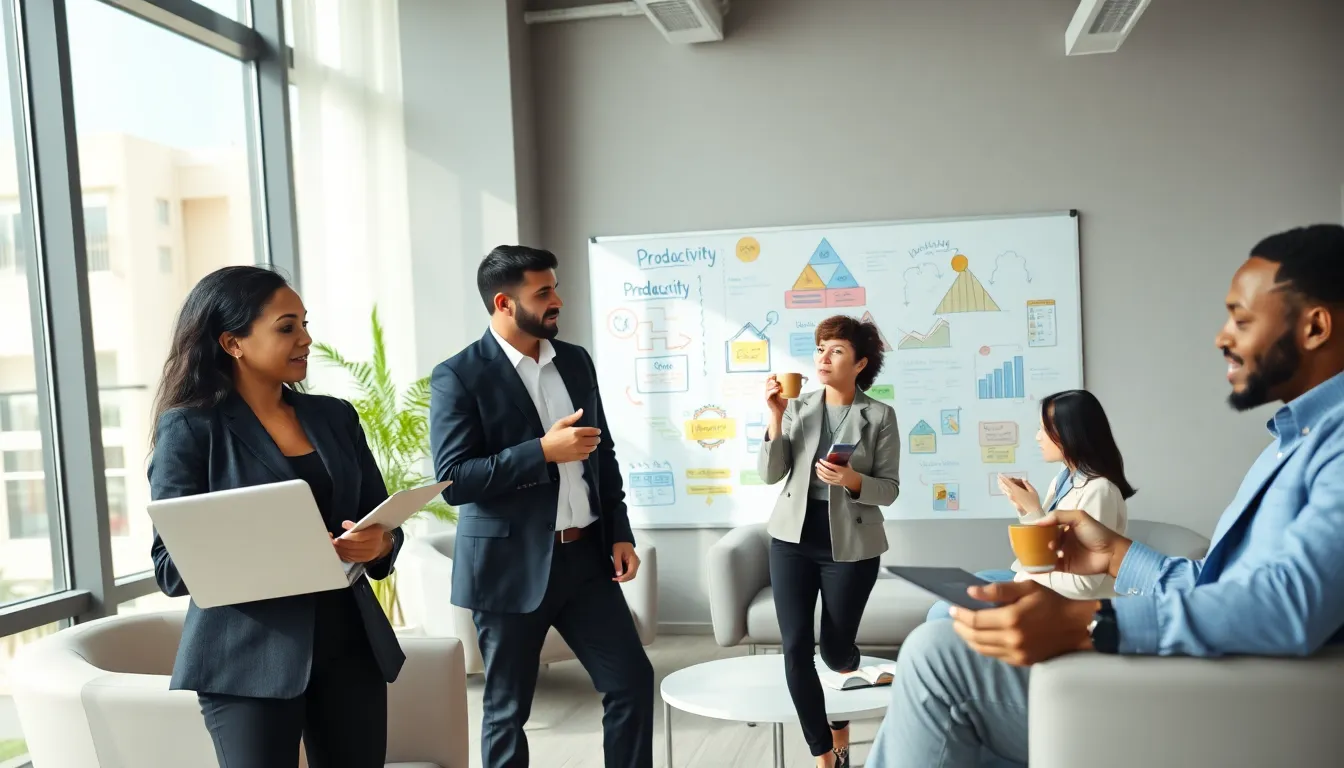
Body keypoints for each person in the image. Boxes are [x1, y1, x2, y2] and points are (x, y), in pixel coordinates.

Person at [867, 224, 1344, 767]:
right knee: (954, 669)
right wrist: (1116, 554)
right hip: (1216, 674)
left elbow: (1289, 605)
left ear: (1315, 326)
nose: (1221, 337)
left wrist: (1089, 621)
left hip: (1229, 706)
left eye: (1241, 318)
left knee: (938, 659)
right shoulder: (1293, 442)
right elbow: (1218, 586)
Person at [148, 266, 406, 768]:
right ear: (233, 342)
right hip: (246, 658)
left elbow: (382, 523)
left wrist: (379, 546)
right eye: (287, 327)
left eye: (305, 324)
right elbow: (170, 568)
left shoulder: (336, 417)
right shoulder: (190, 428)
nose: (306, 339)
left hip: (350, 645)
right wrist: (275, 543)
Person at [429, 245, 653, 768]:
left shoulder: (574, 360)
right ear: (505, 303)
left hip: (586, 561)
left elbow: (604, 452)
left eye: (555, 287)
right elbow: (455, 479)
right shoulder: (459, 375)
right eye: (544, 292)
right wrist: (540, 453)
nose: (558, 300)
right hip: (508, 571)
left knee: (631, 683)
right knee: (508, 711)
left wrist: (619, 530)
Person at [760, 315, 901, 768]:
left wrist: (852, 478)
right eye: (820, 348)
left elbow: (890, 489)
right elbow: (770, 473)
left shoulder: (879, 415)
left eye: (835, 350)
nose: (823, 357)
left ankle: (853, 679)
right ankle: (825, 754)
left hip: (852, 545)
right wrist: (775, 416)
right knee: (796, 645)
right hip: (792, 538)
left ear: (859, 363)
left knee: (836, 652)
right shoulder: (797, 408)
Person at [925, 389, 1135, 621]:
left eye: (1045, 430)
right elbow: (1049, 545)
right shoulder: (1064, 478)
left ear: (1071, 433)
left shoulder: (1100, 491)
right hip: (1036, 579)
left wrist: (1026, 576)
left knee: (943, 612)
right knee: (959, 590)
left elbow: (1082, 584)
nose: (1038, 437)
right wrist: (1027, 509)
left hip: (1065, 598)